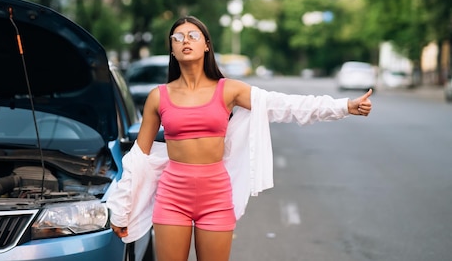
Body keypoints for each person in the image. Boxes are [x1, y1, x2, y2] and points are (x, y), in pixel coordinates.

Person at [107, 16, 373, 261]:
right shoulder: (159, 96)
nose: (185, 41)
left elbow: (282, 105)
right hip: (172, 196)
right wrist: (122, 206)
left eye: (192, 35)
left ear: (207, 46)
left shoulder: (229, 90)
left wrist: (342, 106)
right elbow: (138, 157)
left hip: (216, 197)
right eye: (177, 38)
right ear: (172, 51)